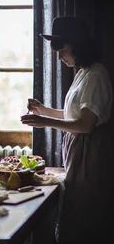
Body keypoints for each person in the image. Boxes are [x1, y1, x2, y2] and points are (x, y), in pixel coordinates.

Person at [21, 16, 114, 243]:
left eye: (62, 49)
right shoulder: (83, 72)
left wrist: (46, 123)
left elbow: (85, 124)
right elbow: (73, 116)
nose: (59, 55)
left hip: (90, 156)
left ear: (77, 44)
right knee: (74, 210)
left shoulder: (96, 75)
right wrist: (43, 111)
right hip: (79, 152)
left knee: (84, 216)